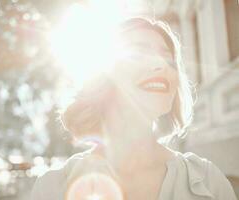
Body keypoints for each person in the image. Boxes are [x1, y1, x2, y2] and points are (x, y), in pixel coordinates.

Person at [31, 16, 238, 200]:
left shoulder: (209, 182)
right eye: (139, 53)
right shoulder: (52, 188)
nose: (161, 64)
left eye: (169, 58)